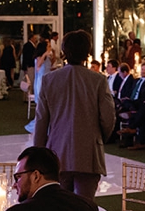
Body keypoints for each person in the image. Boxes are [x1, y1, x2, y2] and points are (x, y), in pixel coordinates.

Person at [32, 29, 116, 201]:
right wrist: (100, 136)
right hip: (89, 152)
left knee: (59, 207)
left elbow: (41, 121)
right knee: (83, 208)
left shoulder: (49, 80)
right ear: (87, 52)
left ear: (64, 52)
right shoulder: (98, 80)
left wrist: (39, 153)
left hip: (57, 152)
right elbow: (108, 118)